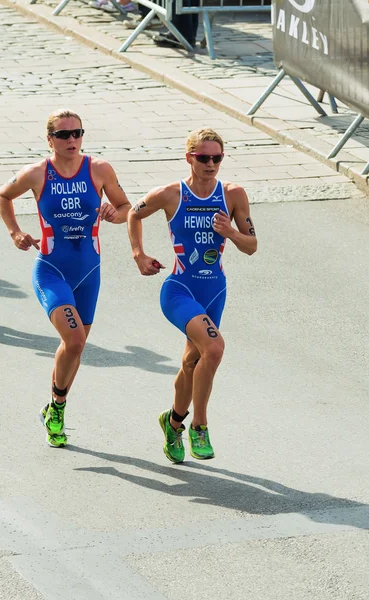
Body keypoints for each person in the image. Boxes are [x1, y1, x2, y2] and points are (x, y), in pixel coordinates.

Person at [0, 109, 131, 448]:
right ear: (50, 139)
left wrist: (115, 214)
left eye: (77, 133)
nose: (72, 140)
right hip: (52, 270)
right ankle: (57, 407)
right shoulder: (37, 173)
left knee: (76, 345)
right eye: (64, 135)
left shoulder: (99, 169)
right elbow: (3, 196)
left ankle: (55, 406)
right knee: (73, 340)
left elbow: (128, 208)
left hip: (89, 272)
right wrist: (15, 232)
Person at [127, 128, 257, 463]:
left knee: (191, 363)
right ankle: (199, 426)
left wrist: (230, 232)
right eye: (203, 157)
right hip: (180, 289)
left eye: (217, 157)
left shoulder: (233, 194)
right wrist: (138, 254)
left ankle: (172, 424)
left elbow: (252, 246)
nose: (211, 163)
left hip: (214, 291)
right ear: (189, 158)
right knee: (214, 347)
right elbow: (133, 213)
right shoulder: (171, 193)